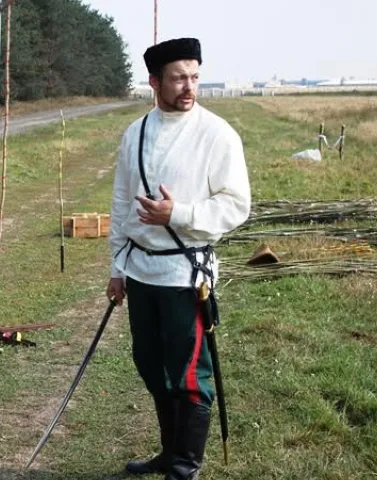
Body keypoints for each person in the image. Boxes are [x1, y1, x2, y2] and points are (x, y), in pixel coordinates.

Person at [105, 37, 251, 480]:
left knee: (188, 374)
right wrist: (117, 265)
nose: (188, 87)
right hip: (141, 270)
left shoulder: (217, 133)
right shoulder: (137, 132)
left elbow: (236, 205)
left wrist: (179, 213)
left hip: (185, 273)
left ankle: (184, 468)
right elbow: (120, 203)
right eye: (178, 78)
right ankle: (170, 453)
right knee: (151, 365)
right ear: (154, 82)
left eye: (194, 77)